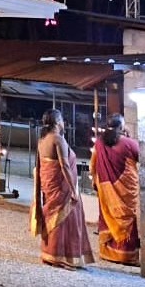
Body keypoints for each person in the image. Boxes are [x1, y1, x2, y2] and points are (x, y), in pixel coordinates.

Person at [30, 108, 95, 269]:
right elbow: (64, 165)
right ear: (58, 122)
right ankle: (64, 256)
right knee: (67, 219)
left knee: (55, 218)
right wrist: (73, 189)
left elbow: (40, 166)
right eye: (62, 121)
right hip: (61, 187)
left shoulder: (42, 140)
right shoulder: (58, 139)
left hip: (49, 186)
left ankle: (50, 253)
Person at [90, 113, 141, 265]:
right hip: (124, 191)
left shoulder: (99, 142)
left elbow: (93, 164)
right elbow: (140, 156)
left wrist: (96, 183)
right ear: (121, 127)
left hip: (105, 189)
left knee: (107, 218)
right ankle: (126, 256)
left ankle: (107, 253)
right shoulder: (128, 143)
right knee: (126, 220)